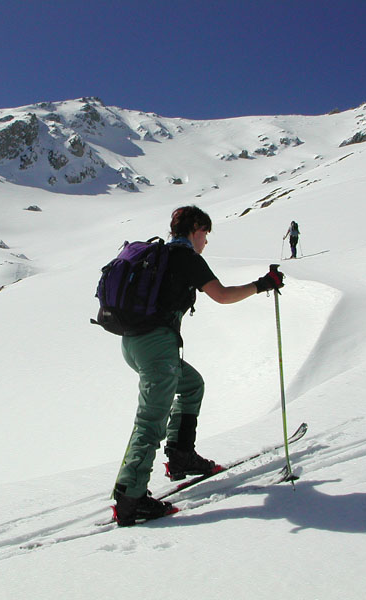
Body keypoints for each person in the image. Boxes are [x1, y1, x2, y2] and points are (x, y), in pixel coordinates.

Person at [113, 205, 285, 526]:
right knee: (150, 421)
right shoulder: (186, 257)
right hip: (158, 347)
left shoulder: (160, 256)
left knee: (191, 385)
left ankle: (181, 455)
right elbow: (222, 295)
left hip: (134, 344)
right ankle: (130, 498)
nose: (205, 241)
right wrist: (263, 284)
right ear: (196, 229)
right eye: (205, 233)